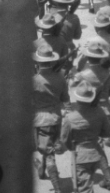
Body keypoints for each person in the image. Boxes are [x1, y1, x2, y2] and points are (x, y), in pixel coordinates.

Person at [61, 81, 110, 193]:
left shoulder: (70, 118)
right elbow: (107, 133)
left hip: (80, 156)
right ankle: (108, 180)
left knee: (85, 189)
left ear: (77, 99)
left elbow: (64, 139)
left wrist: (72, 147)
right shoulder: (100, 112)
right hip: (97, 153)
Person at [32, 42, 70, 192]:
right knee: (47, 148)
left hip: (41, 120)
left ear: (37, 61)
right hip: (56, 117)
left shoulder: (34, 79)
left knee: (49, 154)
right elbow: (65, 98)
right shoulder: (60, 77)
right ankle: (41, 169)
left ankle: (57, 187)